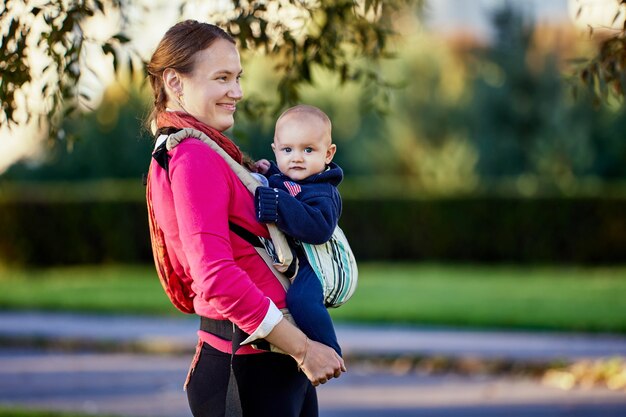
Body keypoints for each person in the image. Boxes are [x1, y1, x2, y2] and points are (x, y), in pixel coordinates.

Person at [145, 20, 345, 417]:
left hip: (270, 363)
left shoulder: (208, 151)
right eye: (222, 78)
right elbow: (215, 277)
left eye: (237, 78)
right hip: (245, 367)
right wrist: (304, 349)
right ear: (175, 82)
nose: (236, 92)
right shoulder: (194, 157)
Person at [254, 105, 343, 356]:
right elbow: (284, 185)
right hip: (293, 260)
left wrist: (276, 204)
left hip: (315, 265)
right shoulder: (289, 178)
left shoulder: (323, 191)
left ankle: (328, 349)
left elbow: (319, 228)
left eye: (308, 150)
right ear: (275, 150)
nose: (296, 158)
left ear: (328, 153)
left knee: (301, 300)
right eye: (287, 150)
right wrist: (269, 171)